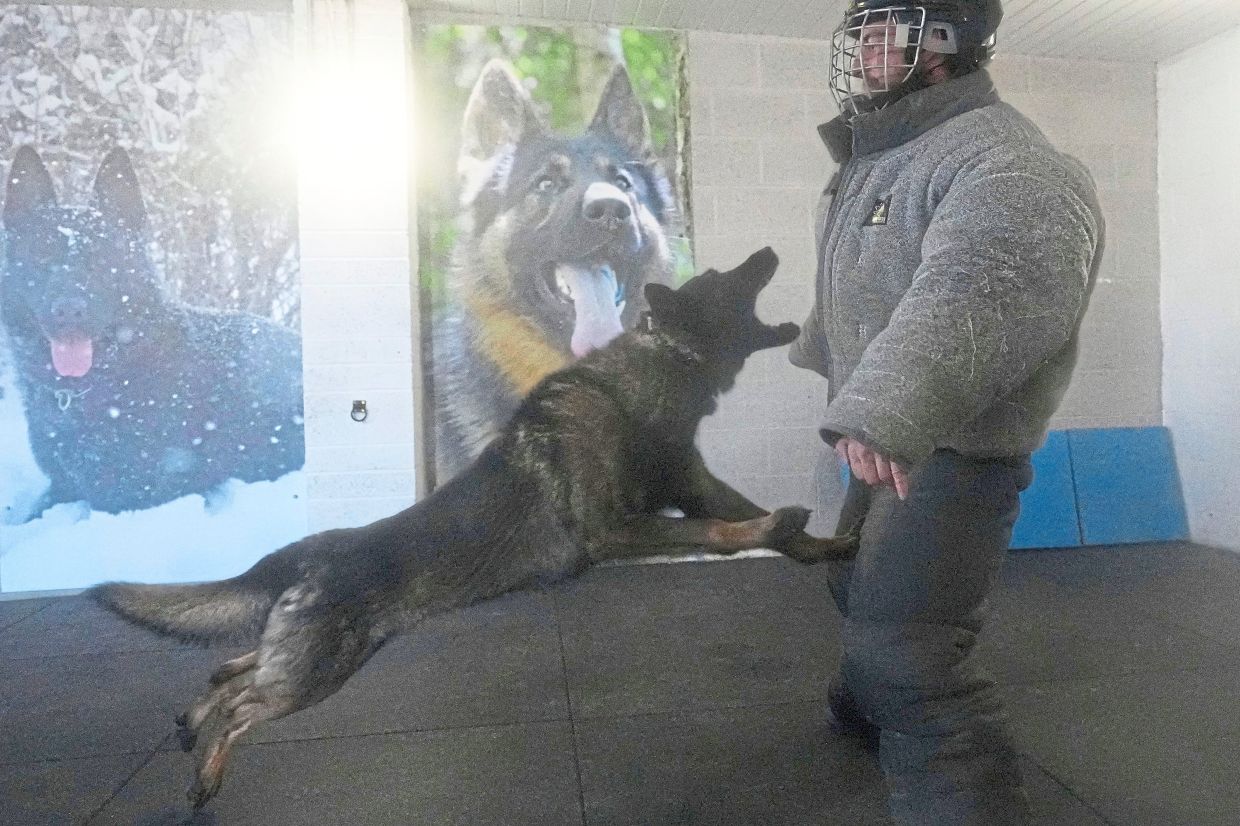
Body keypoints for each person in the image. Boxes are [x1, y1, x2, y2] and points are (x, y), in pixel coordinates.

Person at [788, 1, 1104, 824]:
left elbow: (980, 289)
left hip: (952, 452)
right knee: (857, 586)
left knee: (911, 653)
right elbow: (867, 279)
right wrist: (824, 352)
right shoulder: (879, 158)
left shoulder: (1007, 161)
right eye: (860, 32)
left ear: (944, 43)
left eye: (883, 30)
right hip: (884, 436)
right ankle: (869, 707)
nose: (863, 47)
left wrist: (881, 406)